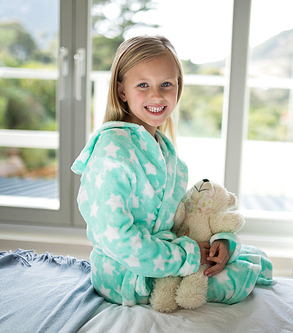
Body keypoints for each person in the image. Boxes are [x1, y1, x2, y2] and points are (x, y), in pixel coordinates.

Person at [71, 35, 275, 307]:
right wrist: (188, 257)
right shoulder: (112, 151)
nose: (156, 95)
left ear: (178, 88)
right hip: (125, 276)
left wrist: (218, 240)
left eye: (166, 84)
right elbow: (118, 240)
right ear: (122, 91)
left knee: (248, 256)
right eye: (143, 85)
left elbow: (178, 218)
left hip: (166, 255)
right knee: (239, 276)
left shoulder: (166, 153)